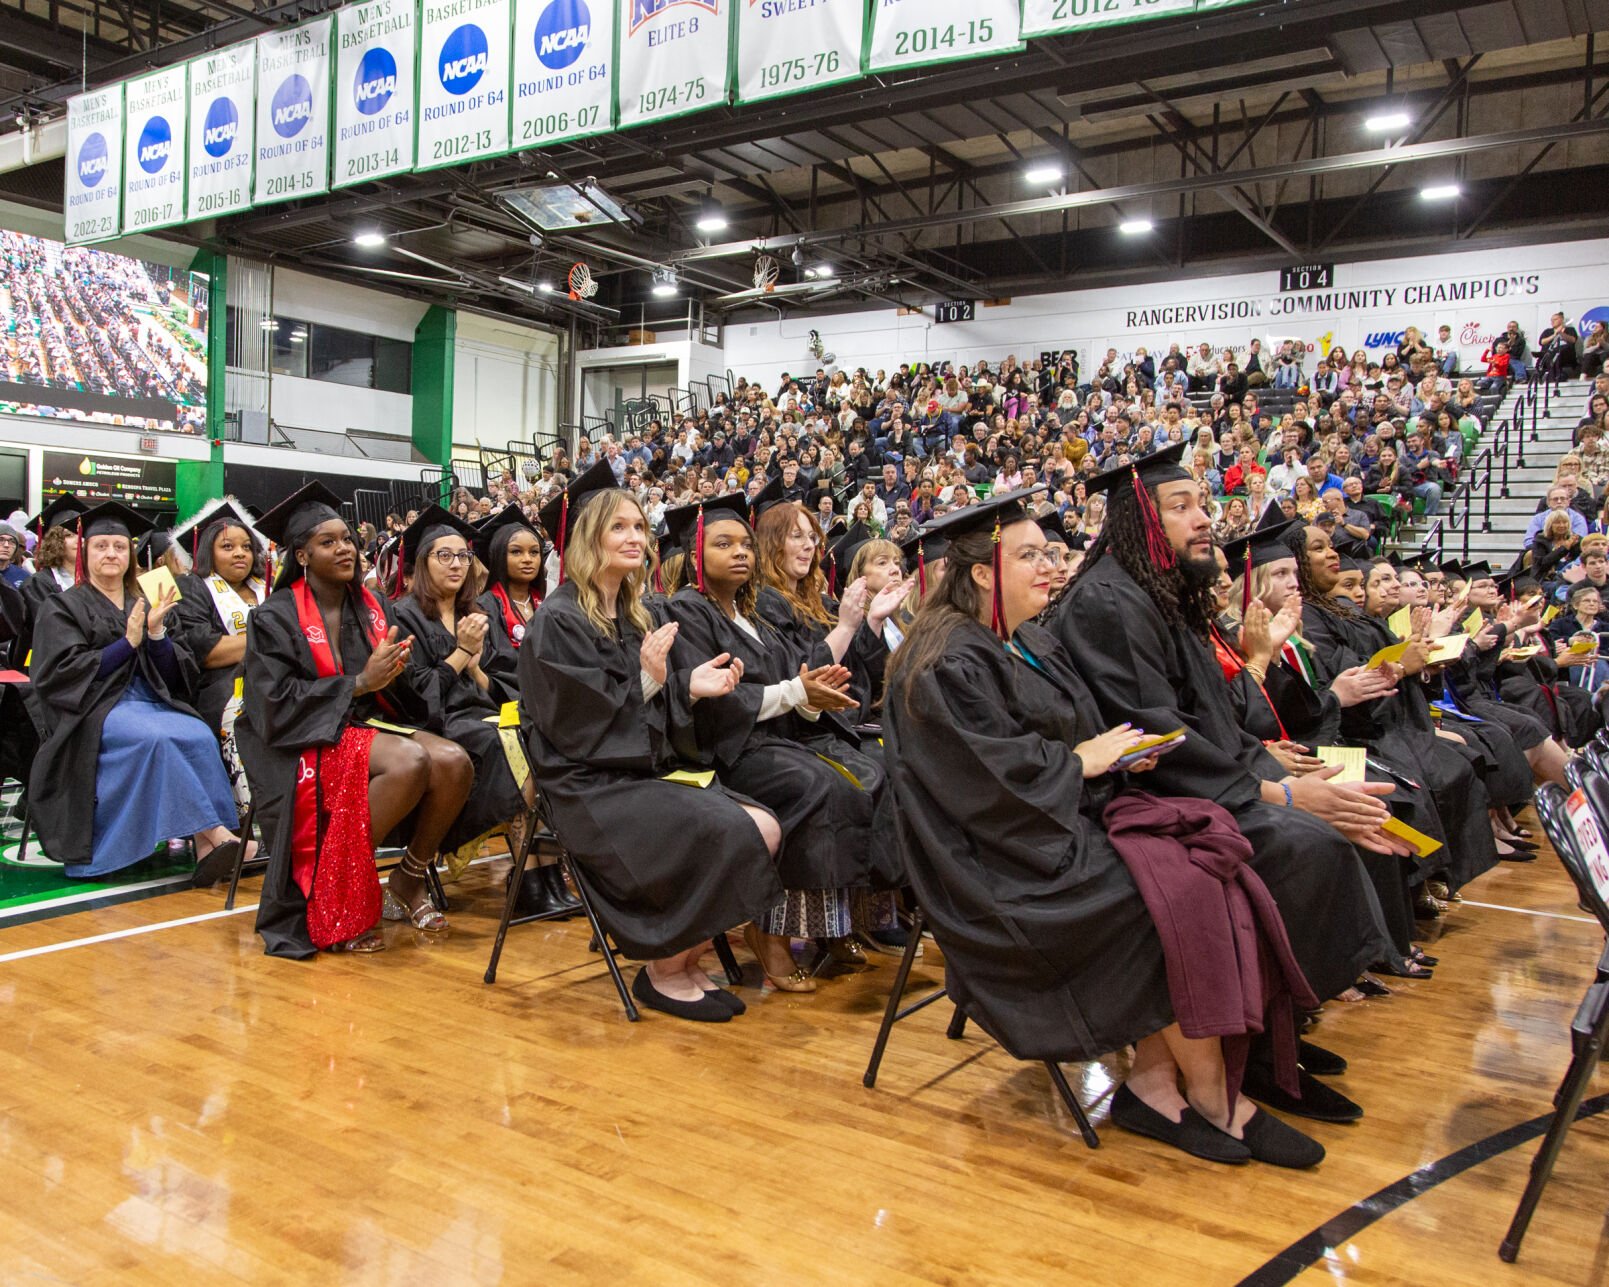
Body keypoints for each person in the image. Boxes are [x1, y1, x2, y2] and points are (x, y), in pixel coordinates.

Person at [885, 490, 1325, 1167]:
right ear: (980, 572)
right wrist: (1074, 763)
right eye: (1028, 555)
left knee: (1208, 856)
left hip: (1057, 825)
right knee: (1167, 897)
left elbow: (1077, 730)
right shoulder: (946, 660)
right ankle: (1213, 1099)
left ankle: (1155, 1081)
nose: (1048, 567)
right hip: (998, 866)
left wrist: (1115, 752)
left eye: (1050, 553)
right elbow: (982, 785)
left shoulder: (1028, 639)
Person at [1052, 442, 1399, 1123]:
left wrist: (1268, 762)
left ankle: (1274, 1039)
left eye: (1202, 504)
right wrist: (1275, 793)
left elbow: (1205, 712)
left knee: (1328, 828)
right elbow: (1156, 729)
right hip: (1144, 796)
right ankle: (1260, 1048)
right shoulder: (1106, 602)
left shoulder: (1160, 592)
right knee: (1303, 845)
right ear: (1139, 522)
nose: (1202, 519)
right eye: (1179, 507)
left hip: (1199, 782)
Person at [519, 478, 785, 1022]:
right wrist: (649, 679)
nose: (634, 536)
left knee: (766, 824)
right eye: (618, 527)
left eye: (639, 526)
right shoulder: (559, 619)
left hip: (638, 769)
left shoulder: (639, 614)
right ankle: (664, 969)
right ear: (590, 538)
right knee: (739, 828)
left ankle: (685, 960)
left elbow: (654, 701)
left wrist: (689, 686)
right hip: (585, 783)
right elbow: (577, 724)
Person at [665, 494, 899, 991]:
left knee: (862, 776)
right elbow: (718, 701)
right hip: (729, 751)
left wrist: (814, 698)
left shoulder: (754, 616)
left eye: (746, 544)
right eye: (723, 544)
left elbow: (793, 681)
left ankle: (832, 924)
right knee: (815, 787)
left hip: (776, 742)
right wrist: (798, 692)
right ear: (694, 558)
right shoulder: (689, 609)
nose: (740, 553)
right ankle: (770, 932)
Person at [239, 483, 475, 958]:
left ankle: (408, 881)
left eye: (347, 538)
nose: (344, 548)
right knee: (408, 761)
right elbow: (273, 703)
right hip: (299, 737)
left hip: (360, 723)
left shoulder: (372, 608)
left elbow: (391, 691)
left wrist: (393, 673)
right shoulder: (274, 617)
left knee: (454, 761)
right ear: (301, 555)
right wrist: (360, 684)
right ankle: (333, 891)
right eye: (328, 542)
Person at [28, 501, 250, 882]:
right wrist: (126, 644)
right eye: (101, 546)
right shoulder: (61, 605)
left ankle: (205, 849)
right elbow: (60, 674)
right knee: (157, 737)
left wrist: (156, 635)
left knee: (196, 731)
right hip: (95, 708)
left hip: (153, 699)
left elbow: (178, 671)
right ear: (85, 551)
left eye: (119, 546)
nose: (111, 554)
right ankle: (216, 834)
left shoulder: (153, 592)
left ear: (131, 552)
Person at [391, 505, 536, 884]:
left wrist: (473, 666)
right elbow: (415, 695)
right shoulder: (403, 616)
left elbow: (501, 682)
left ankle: (543, 869)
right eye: (444, 556)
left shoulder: (475, 613)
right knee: (504, 741)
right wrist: (461, 653)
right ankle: (529, 875)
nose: (456, 564)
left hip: (481, 714)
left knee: (537, 729)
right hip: (438, 724)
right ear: (423, 563)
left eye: (463, 556)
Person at [170, 498, 269, 812]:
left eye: (246, 546)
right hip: (224, 685)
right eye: (227, 547)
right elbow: (208, 652)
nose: (240, 553)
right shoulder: (193, 587)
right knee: (244, 717)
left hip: (278, 679)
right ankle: (251, 820)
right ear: (208, 552)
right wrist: (275, 637)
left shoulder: (270, 586)